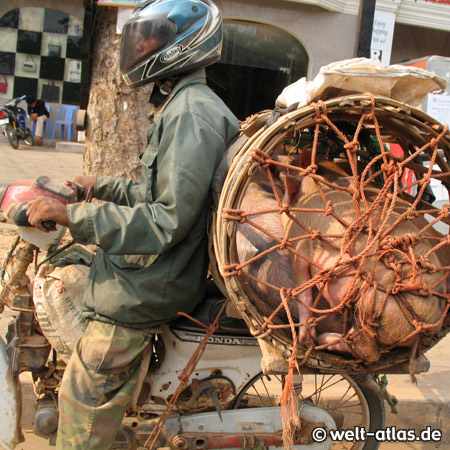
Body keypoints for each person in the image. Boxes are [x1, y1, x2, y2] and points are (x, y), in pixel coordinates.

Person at [26, 1, 239, 449]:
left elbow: (167, 220)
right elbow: (155, 195)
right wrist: (97, 186)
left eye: (152, 39)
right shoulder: (185, 104)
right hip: (157, 269)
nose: (140, 47)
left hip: (156, 282)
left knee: (84, 395)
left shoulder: (191, 115)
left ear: (183, 46)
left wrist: (73, 215)